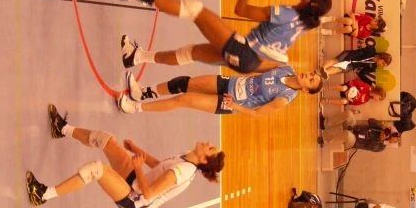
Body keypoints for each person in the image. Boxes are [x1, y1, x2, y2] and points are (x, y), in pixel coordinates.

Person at [117, 0, 331, 74]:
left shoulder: (285, 14)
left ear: (307, 0)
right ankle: (137, 57)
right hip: (252, 63)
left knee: (194, 10)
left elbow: (241, 10)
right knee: (189, 53)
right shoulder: (309, 22)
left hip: (246, 52)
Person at [25, 105, 224, 208]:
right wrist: (137, 150)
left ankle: (43, 195)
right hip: (137, 181)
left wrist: (137, 167)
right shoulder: (187, 157)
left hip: (134, 199)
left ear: (204, 160)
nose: (208, 143)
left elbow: (148, 194)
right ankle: (62, 129)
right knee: (108, 141)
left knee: (96, 169)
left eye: (211, 148)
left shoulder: (184, 172)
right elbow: (160, 167)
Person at [119, 66, 323, 116]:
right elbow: (256, 69)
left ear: (305, 89)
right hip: (230, 82)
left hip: (230, 102)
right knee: (184, 82)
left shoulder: (285, 98)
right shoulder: (286, 68)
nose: (308, 75)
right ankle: (142, 92)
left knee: (183, 99)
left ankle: (135, 107)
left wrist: (233, 105)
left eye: (311, 80)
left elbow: (256, 114)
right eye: (312, 73)